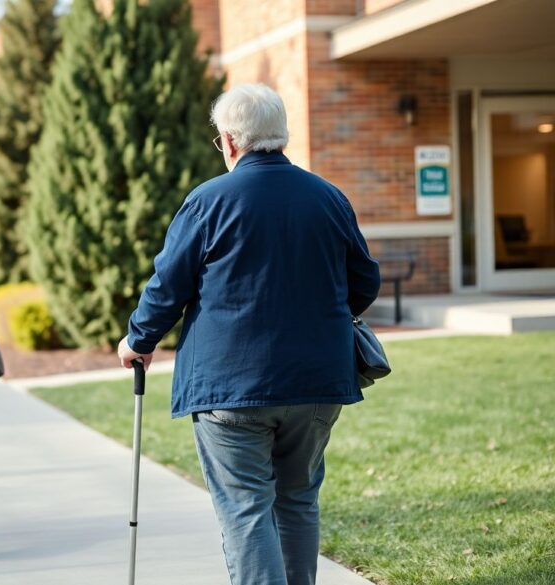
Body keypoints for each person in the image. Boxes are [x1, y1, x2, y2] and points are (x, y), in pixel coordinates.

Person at [117, 84, 381, 585]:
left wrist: (139, 340)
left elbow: (167, 286)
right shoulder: (329, 198)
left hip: (231, 389)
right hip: (316, 383)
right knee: (297, 498)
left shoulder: (207, 202)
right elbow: (364, 281)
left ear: (231, 141)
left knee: (245, 507)